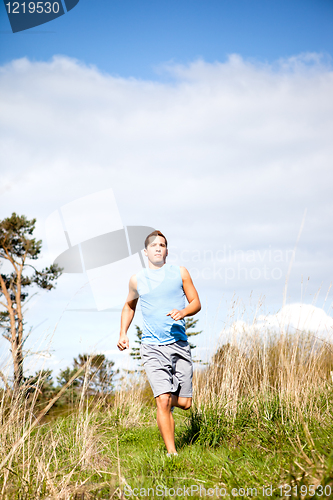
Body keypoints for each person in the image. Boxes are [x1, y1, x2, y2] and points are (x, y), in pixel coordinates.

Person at [117, 230, 201, 456]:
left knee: (184, 403)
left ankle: (167, 397)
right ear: (145, 252)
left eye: (162, 245)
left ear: (166, 250)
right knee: (163, 401)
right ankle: (172, 454)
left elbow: (196, 302)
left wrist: (183, 312)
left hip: (179, 345)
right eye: (153, 245)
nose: (157, 248)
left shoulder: (180, 272)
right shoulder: (137, 279)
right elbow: (129, 306)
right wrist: (123, 332)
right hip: (152, 347)